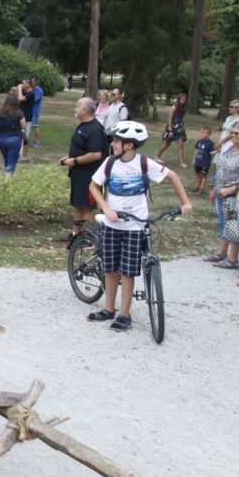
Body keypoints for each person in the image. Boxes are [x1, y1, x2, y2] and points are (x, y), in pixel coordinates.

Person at [87, 121, 192, 330]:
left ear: (129, 145)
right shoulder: (110, 162)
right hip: (112, 225)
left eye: (116, 141)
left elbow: (172, 176)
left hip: (135, 227)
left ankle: (124, 314)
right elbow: (93, 186)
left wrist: (185, 202)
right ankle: (109, 308)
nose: (112, 144)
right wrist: (105, 207)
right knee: (110, 268)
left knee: (128, 271)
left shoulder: (144, 163)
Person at [203, 122, 239, 269]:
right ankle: (221, 253)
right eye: (232, 133)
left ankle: (233, 260)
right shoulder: (231, 148)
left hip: (235, 196)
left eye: (236, 133)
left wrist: (232, 189)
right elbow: (220, 170)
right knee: (223, 223)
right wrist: (215, 189)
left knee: (234, 225)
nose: (232, 136)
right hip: (221, 193)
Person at [56, 97, 106, 244]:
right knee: (78, 204)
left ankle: (86, 238)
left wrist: (74, 161)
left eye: (77, 106)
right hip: (78, 174)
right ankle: (75, 235)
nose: (75, 109)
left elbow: (96, 154)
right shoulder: (83, 126)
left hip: (89, 176)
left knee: (87, 207)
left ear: (85, 110)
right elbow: (84, 149)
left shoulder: (95, 129)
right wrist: (69, 158)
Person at [0, 89, 28, 175]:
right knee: (12, 161)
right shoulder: (19, 113)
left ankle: (7, 174)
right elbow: (24, 126)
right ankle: (8, 178)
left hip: (1, 139)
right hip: (14, 139)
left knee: (6, 160)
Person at [16, 78, 36, 162]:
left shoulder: (31, 94)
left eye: (23, 83)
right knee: (18, 137)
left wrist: (19, 88)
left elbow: (20, 99)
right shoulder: (24, 93)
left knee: (25, 139)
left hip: (27, 119)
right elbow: (18, 99)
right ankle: (18, 155)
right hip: (21, 118)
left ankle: (23, 157)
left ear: (28, 84)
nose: (22, 85)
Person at [192, 126, 215, 193]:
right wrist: (194, 159)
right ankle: (197, 186)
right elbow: (196, 150)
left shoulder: (210, 143)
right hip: (198, 162)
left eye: (203, 133)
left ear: (208, 134)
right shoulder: (199, 141)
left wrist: (217, 151)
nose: (202, 134)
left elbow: (211, 152)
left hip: (205, 163)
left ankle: (202, 188)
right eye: (201, 133)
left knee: (203, 175)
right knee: (198, 174)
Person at [29, 77, 43, 148]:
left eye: (32, 82)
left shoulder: (39, 91)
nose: (30, 83)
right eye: (30, 82)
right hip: (29, 110)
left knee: (35, 126)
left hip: (35, 111)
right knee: (29, 126)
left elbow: (34, 100)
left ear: (36, 83)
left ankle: (38, 142)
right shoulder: (30, 89)